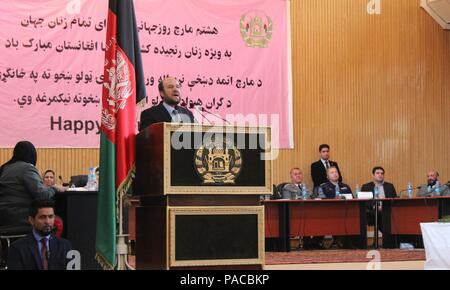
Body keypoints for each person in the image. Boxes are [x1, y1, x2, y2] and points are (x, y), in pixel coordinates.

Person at [0, 141, 66, 235]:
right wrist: (55, 188)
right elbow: (43, 196)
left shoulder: (5, 168)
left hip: (4, 218)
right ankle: (47, 249)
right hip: (20, 217)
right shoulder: (27, 168)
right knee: (56, 222)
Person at [7, 199, 72, 270]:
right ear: (31, 220)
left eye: (50, 217)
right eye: (42, 217)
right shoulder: (17, 248)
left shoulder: (65, 245)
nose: (47, 222)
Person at [361, 167, 397, 242]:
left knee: (389, 216)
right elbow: (364, 202)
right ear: (373, 175)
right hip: (372, 211)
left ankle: (391, 240)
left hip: (387, 210)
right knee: (379, 215)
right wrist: (375, 206)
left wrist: (385, 207)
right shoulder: (366, 187)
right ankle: (389, 240)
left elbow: (394, 200)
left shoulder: (390, 186)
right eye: (377, 173)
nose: (380, 175)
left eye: (382, 173)